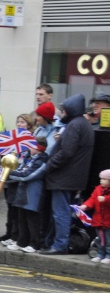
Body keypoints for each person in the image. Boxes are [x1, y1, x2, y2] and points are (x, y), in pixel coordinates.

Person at [41, 94, 95, 255]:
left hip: (64, 177)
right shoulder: (82, 124)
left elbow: (66, 152)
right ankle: (51, 242)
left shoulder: (74, 125)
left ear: (71, 110)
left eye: (63, 110)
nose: (61, 114)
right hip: (72, 177)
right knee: (63, 211)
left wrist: (48, 165)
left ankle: (59, 245)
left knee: (60, 212)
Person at [79, 169, 110, 263]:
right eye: (101, 179)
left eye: (104, 179)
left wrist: (106, 199)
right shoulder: (98, 189)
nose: (101, 181)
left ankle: (108, 255)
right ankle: (100, 254)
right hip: (98, 219)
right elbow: (92, 199)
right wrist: (85, 205)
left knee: (108, 240)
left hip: (108, 220)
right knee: (100, 239)